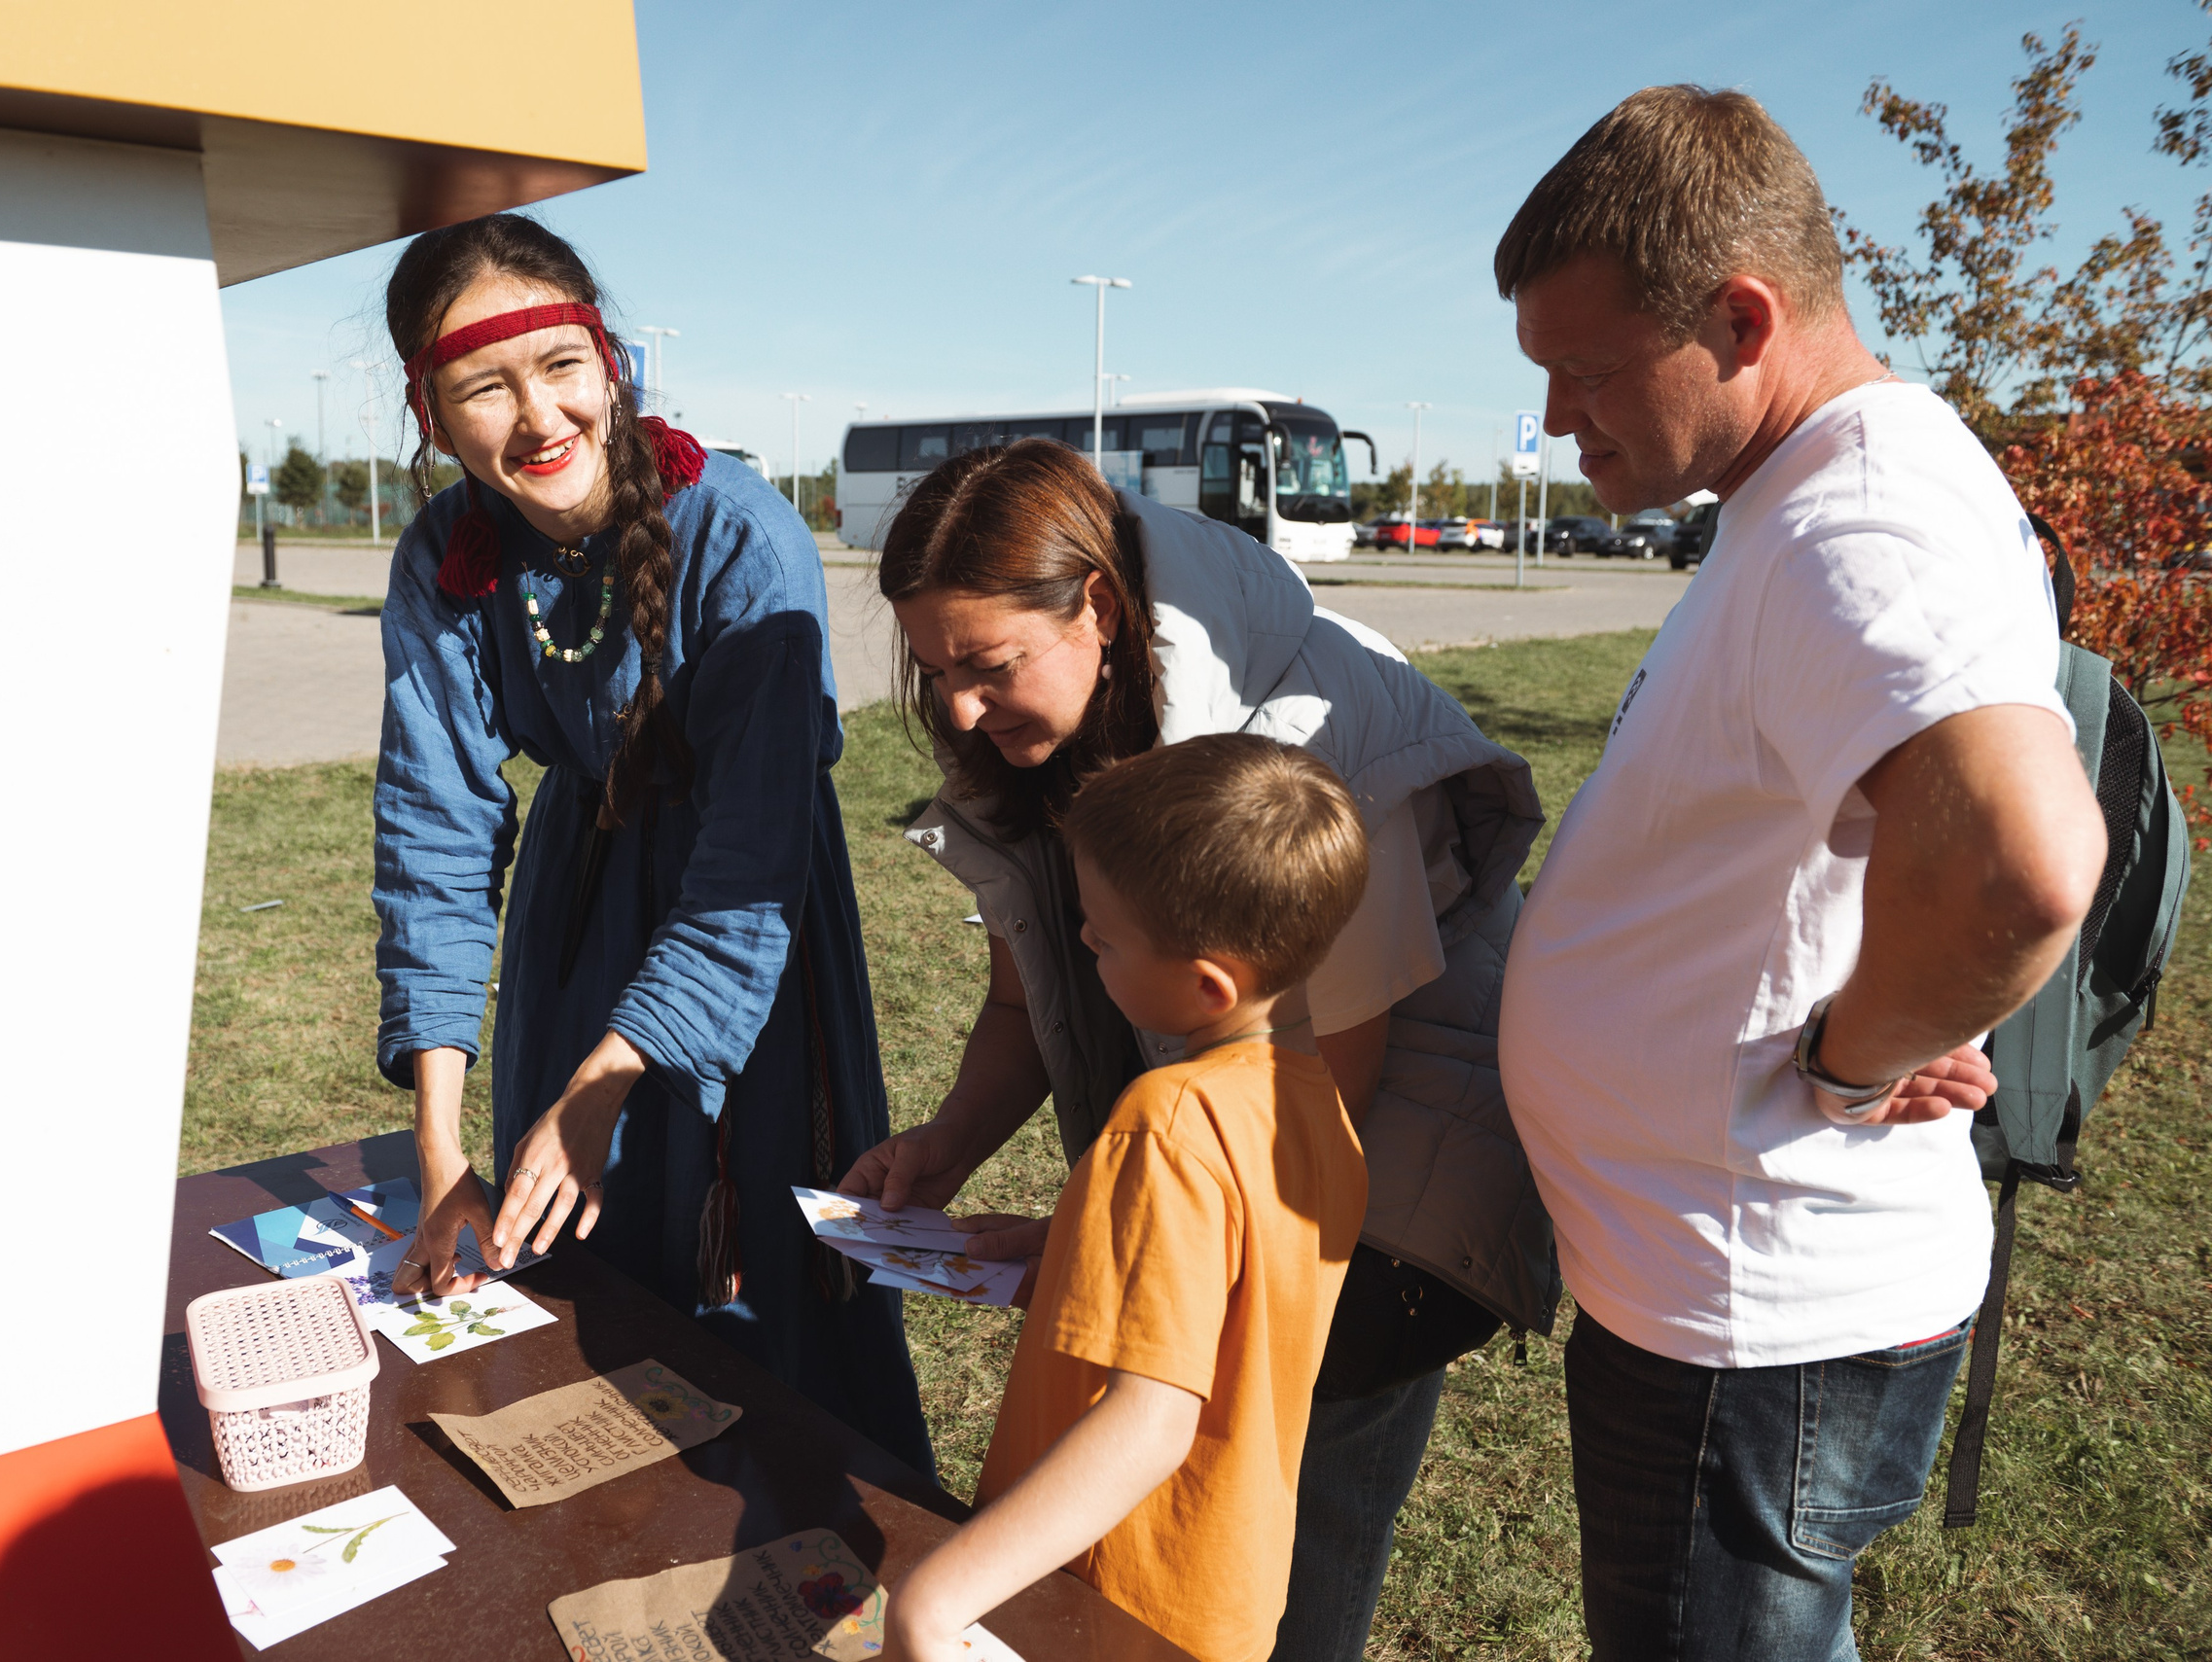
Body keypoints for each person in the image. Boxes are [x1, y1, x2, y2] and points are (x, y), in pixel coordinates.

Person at [1492, 88, 2110, 1659]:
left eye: (1585, 369)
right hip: (1730, 1305)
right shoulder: (1807, 494)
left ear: (1742, 318)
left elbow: (2020, 863)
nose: (1556, 418)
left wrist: (1854, 1060)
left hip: (1755, 1328)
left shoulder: (1861, 522)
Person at [841, 438, 1552, 1654]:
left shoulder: (1309, 757)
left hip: (1386, 1209)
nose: (955, 707)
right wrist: (965, 1156)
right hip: (1252, 1196)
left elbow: (1324, 1105)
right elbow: (1024, 999)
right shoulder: (1193, 1110)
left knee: (1306, 1531)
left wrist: (1134, 1235)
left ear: (1099, 608)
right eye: (933, 669)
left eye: (988, 665)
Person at [369, 213, 931, 1472]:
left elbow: (748, 859)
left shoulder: (742, 535)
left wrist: (613, 1077)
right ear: (431, 418)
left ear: (611, 364)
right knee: (582, 1254)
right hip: (577, 917)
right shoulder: (446, 558)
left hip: (748, 935)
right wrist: (442, 1147)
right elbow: (432, 831)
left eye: (560, 366)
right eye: (484, 388)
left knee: (754, 1279)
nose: (539, 417)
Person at [883, 734, 1371, 1662]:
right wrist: (1077, 1247)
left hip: (1111, 1595)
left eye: (1104, 937)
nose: (1083, 941)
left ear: (1207, 984)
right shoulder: (1320, 1113)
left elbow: (1151, 1420)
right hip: (1220, 1590)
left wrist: (936, 1599)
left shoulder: (1168, 1120)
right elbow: (1230, 1312)